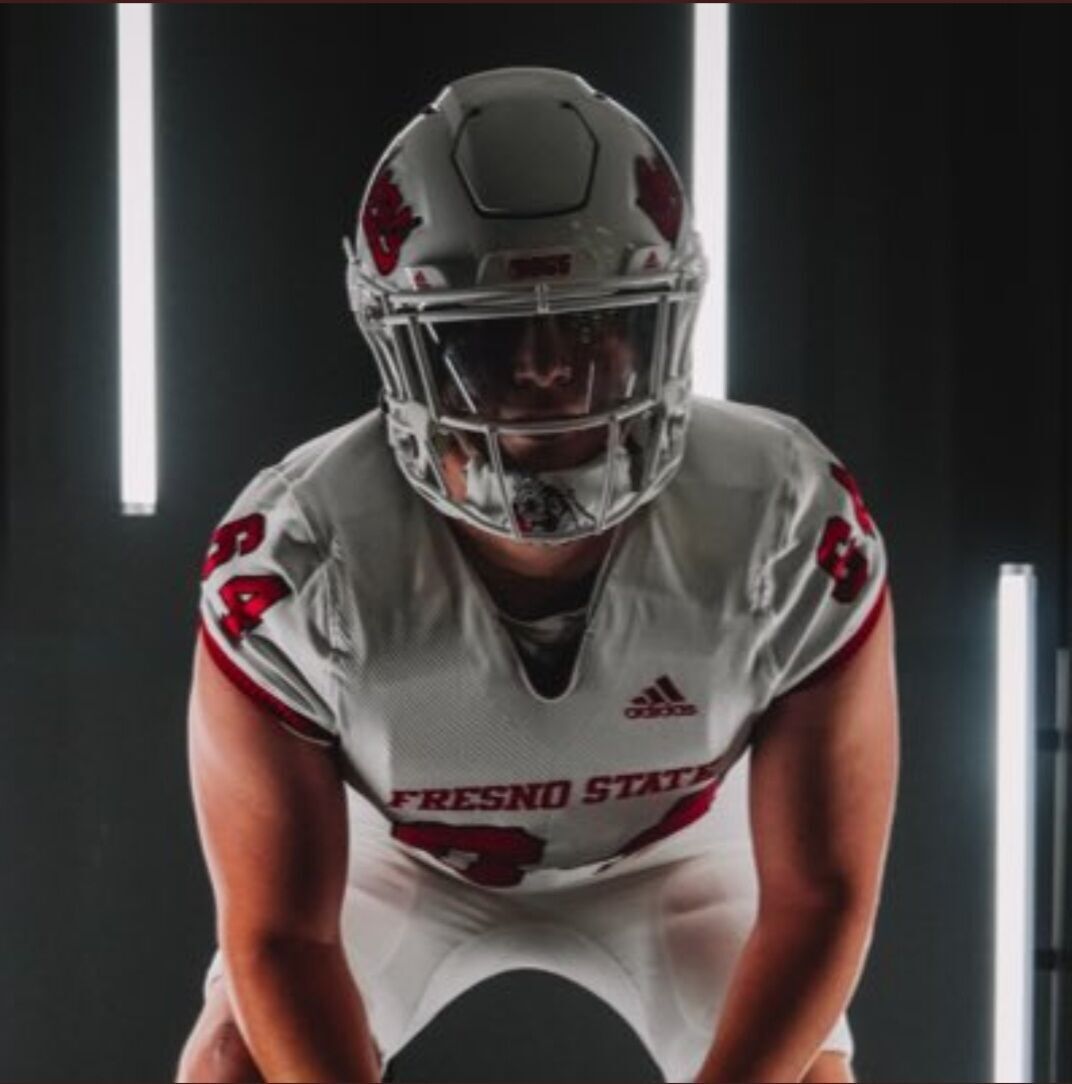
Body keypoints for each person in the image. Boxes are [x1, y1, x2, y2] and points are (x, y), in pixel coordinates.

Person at [176, 67, 898, 1084]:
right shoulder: (298, 560)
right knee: (232, 1066)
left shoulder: (782, 520)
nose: (550, 369)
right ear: (406, 339)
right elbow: (282, 937)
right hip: (407, 861)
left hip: (674, 858)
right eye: (496, 329)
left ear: (664, 322)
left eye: (594, 323)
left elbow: (821, 896)